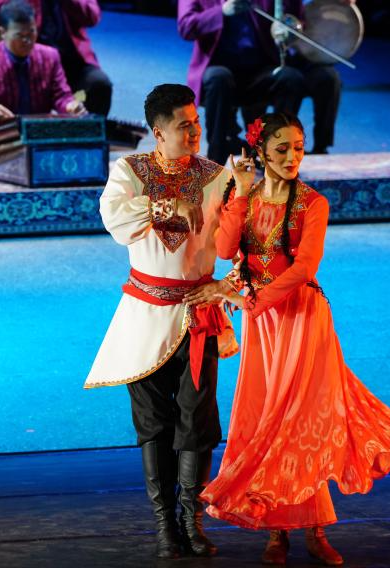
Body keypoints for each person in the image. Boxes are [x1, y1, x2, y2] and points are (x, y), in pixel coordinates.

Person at [200, 112, 390, 565]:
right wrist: (241, 193)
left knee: (298, 423)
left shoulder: (312, 203)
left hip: (301, 318)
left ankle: (315, 529)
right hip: (263, 324)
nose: (292, 157)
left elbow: (305, 268)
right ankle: (278, 531)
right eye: (282, 149)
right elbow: (226, 250)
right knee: (267, 420)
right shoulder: (245, 196)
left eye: (298, 148)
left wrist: (252, 301)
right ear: (260, 152)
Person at [85, 83, 237, 559]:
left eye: (197, 123)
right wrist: (166, 205)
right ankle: (165, 525)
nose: (194, 132)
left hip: (198, 315)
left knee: (198, 419)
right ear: (158, 131)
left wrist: (229, 283)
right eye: (183, 126)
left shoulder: (218, 177)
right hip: (145, 315)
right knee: (153, 422)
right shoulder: (130, 172)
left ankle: (192, 520)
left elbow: (245, 238)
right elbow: (114, 218)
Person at [176, 0, 342, 164]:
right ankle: (216, 155)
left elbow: (296, 19)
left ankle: (277, 154)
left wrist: (289, 29)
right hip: (220, 67)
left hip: (261, 67)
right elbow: (185, 27)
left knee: (291, 78)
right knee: (218, 78)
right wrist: (222, 11)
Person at [0, 0, 85, 177]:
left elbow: (61, 95)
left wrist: (70, 105)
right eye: (20, 35)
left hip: (38, 130)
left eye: (32, 32)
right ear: (2, 32)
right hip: (6, 132)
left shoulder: (50, 56)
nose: (28, 41)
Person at [0, 0, 112, 115]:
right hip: (34, 69)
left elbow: (92, 17)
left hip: (73, 67)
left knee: (98, 85)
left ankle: (86, 131)